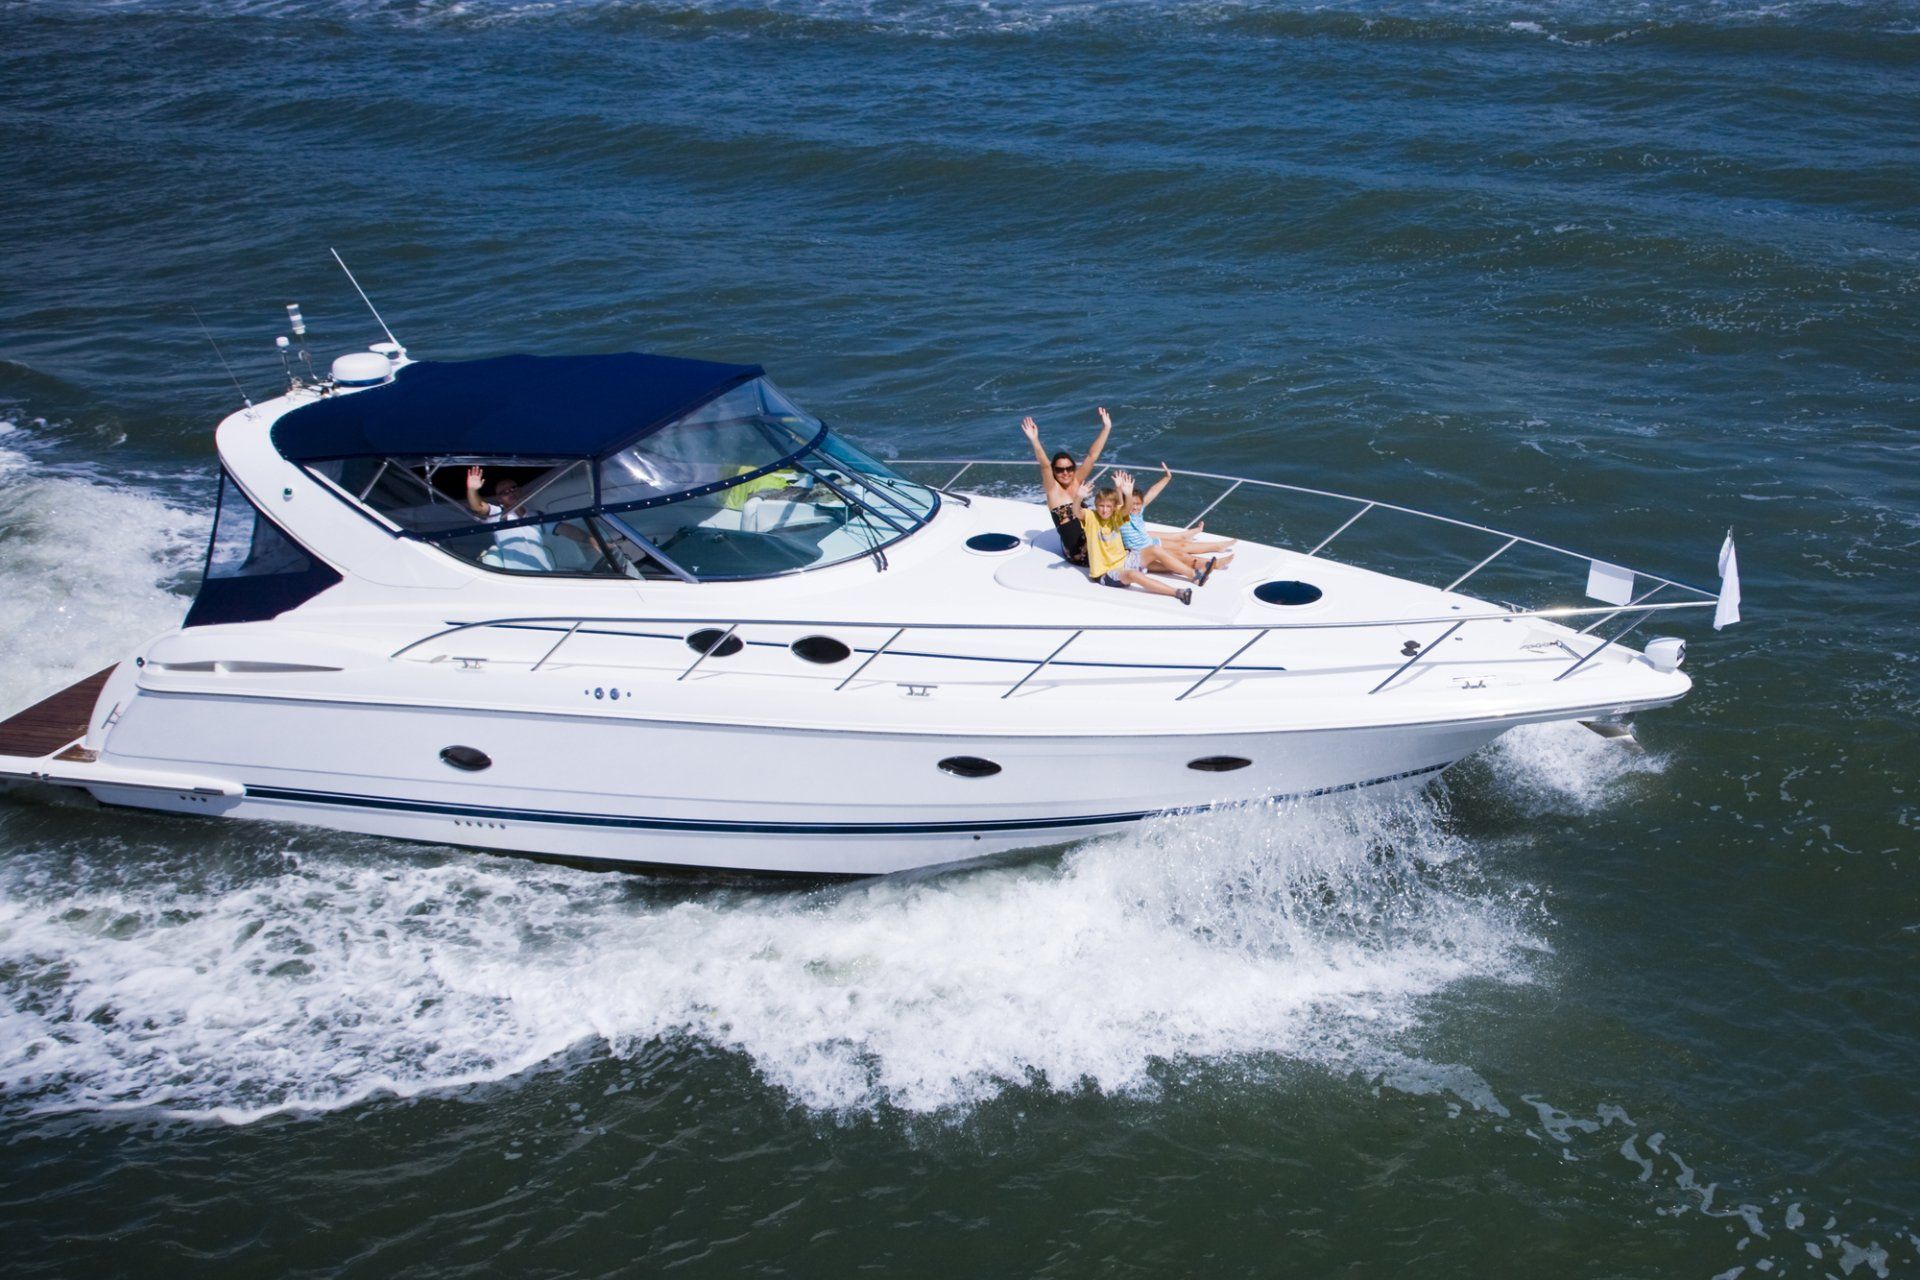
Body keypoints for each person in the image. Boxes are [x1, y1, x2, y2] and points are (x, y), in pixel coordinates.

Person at [1020, 407, 1114, 568]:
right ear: (1054, 471)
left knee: (1135, 537)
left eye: (1069, 468)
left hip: (1093, 536)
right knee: (1132, 548)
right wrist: (1034, 440)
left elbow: (1092, 456)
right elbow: (1044, 466)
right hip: (1079, 552)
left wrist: (1106, 428)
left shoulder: (1076, 480)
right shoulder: (1053, 491)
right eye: (1060, 470)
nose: (1066, 473)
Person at [1117, 466, 1234, 584]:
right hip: (1142, 550)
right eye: (1132, 504)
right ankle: (1214, 564)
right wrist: (1120, 489)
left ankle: (1217, 547)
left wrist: (1167, 478)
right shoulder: (1122, 517)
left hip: (1149, 542)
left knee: (1182, 546)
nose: (1135, 506)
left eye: (1138, 503)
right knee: (1178, 555)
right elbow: (1121, 504)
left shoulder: (1138, 511)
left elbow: (1153, 491)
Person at [1081, 482, 1192, 605]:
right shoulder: (1091, 517)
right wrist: (1078, 497)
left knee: (1155, 549)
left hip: (1124, 560)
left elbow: (1126, 509)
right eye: (1101, 506)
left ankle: (1193, 575)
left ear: (1113, 508)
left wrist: (1127, 494)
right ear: (1095, 505)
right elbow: (1077, 512)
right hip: (1105, 573)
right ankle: (1178, 592)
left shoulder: (1115, 518)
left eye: (1108, 506)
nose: (1105, 510)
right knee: (1133, 574)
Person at [464, 466, 593, 572]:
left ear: (519, 490)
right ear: (499, 499)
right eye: (504, 492)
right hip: (517, 577)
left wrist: (590, 540)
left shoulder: (535, 515)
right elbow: (477, 507)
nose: (510, 492)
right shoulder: (496, 514)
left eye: (513, 488)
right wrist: (472, 490)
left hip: (545, 574)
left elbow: (565, 529)